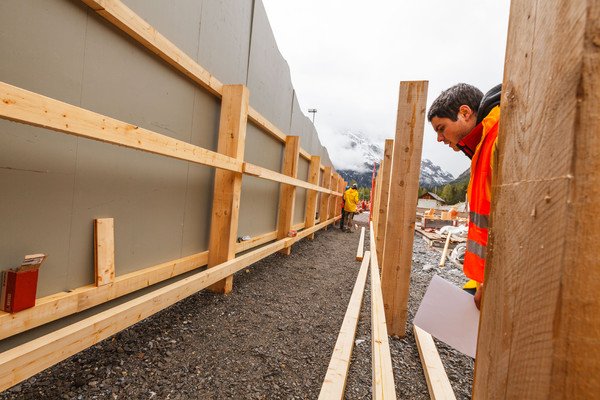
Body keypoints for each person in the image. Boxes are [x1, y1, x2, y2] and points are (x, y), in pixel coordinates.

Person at [427, 83, 501, 309]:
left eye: (441, 128)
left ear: (465, 113)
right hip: (488, 280)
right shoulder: (483, 146)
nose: (439, 138)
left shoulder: (499, 137)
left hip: (501, 282)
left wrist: (494, 283)